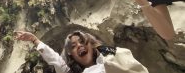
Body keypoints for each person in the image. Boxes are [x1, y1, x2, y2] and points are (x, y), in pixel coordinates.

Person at [15, 30, 148, 73]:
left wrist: (100, 48)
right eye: (73, 46)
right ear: (70, 55)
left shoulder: (109, 59)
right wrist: (34, 39)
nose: (79, 45)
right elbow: (55, 59)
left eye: (83, 42)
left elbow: (126, 62)